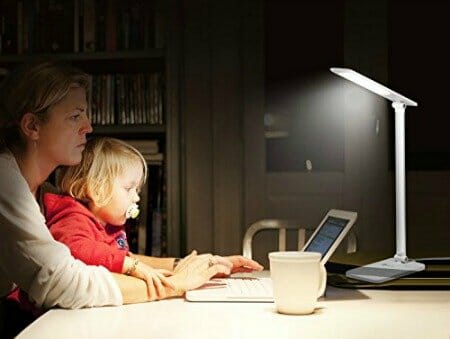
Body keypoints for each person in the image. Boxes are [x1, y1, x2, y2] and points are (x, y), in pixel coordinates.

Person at [0, 61, 262, 337]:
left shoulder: (45, 192)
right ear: (32, 126)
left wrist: (185, 265)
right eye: (75, 116)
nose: (88, 127)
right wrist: (175, 284)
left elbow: (100, 258)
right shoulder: (6, 183)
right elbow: (63, 283)